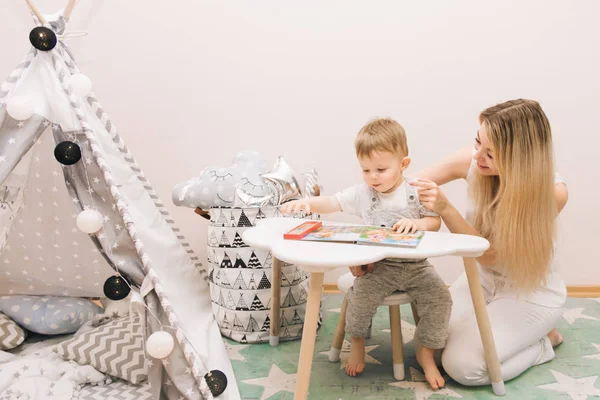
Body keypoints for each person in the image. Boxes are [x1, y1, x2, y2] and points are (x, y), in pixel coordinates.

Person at [281, 118, 451, 389]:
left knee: (441, 298)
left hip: (417, 266)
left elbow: (435, 222)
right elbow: (332, 202)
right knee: (359, 299)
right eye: (366, 170)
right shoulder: (363, 193)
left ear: (403, 164)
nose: (373, 177)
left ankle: (426, 352)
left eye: (381, 169)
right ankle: (357, 342)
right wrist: (305, 202)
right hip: (378, 267)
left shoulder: (416, 191)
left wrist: (418, 224)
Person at [411, 99, 568, 386]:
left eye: (490, 153)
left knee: (463, 367)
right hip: (480, 282)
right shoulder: (474, 160)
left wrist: (446, 210)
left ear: (519, 158)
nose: (477, 156)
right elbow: (407, 186)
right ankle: (515, 340)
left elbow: (490, 256)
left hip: (529, 294)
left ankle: (544, 343)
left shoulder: (550, 194)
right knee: (428, 339)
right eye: (477, 142)